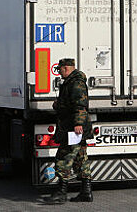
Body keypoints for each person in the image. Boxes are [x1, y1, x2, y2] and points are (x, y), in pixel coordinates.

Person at [44, 58, 93, 204]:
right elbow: (71, 103)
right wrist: (59, 105)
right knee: (80, 159)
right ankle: (86, 192)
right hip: (75, 128)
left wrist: (78, 124)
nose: (59, 73)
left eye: (60, 70)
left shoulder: (75, 83)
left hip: (73, 129)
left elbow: (80, 104)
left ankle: (61, 193)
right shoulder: (72, 82)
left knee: (63, 157)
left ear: (66, 68)